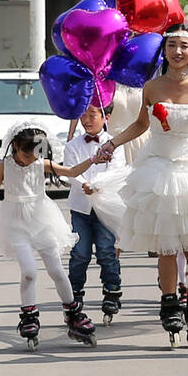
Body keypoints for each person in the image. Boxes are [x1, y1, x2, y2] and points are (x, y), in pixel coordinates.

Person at [97, 24, 188, 348]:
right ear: (165, 50)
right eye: (171, 45)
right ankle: (169, 302)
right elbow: (141, 124)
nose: (177, 51)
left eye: (183, 46)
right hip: (157, 166)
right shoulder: (152, 86)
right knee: (167, 246)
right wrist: (112, 144)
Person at [0, 122, 109, 349]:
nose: (29, 159)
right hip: (15, 223)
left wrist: (92, 161)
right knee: (29, 272)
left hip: (41, 220)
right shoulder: (5, 165)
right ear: (16, 147)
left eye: (33, 154)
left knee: (56, 270)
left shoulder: (41, 163)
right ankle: (29, 316)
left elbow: (70, 172)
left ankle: (73, 313)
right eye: (25, 154)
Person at [64, 102, 125, 325]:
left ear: (105, 116)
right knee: (80, 252)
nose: (87, 120)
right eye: (83, 115)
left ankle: (112, 291)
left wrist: (96, 185)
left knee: (107, 250)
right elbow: (69, 171)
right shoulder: (73, 145)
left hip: (105, 206)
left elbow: (117, 172)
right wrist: (83, 184)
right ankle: (74, 294)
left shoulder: (115, 145)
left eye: (92, 115)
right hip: (80, 206)